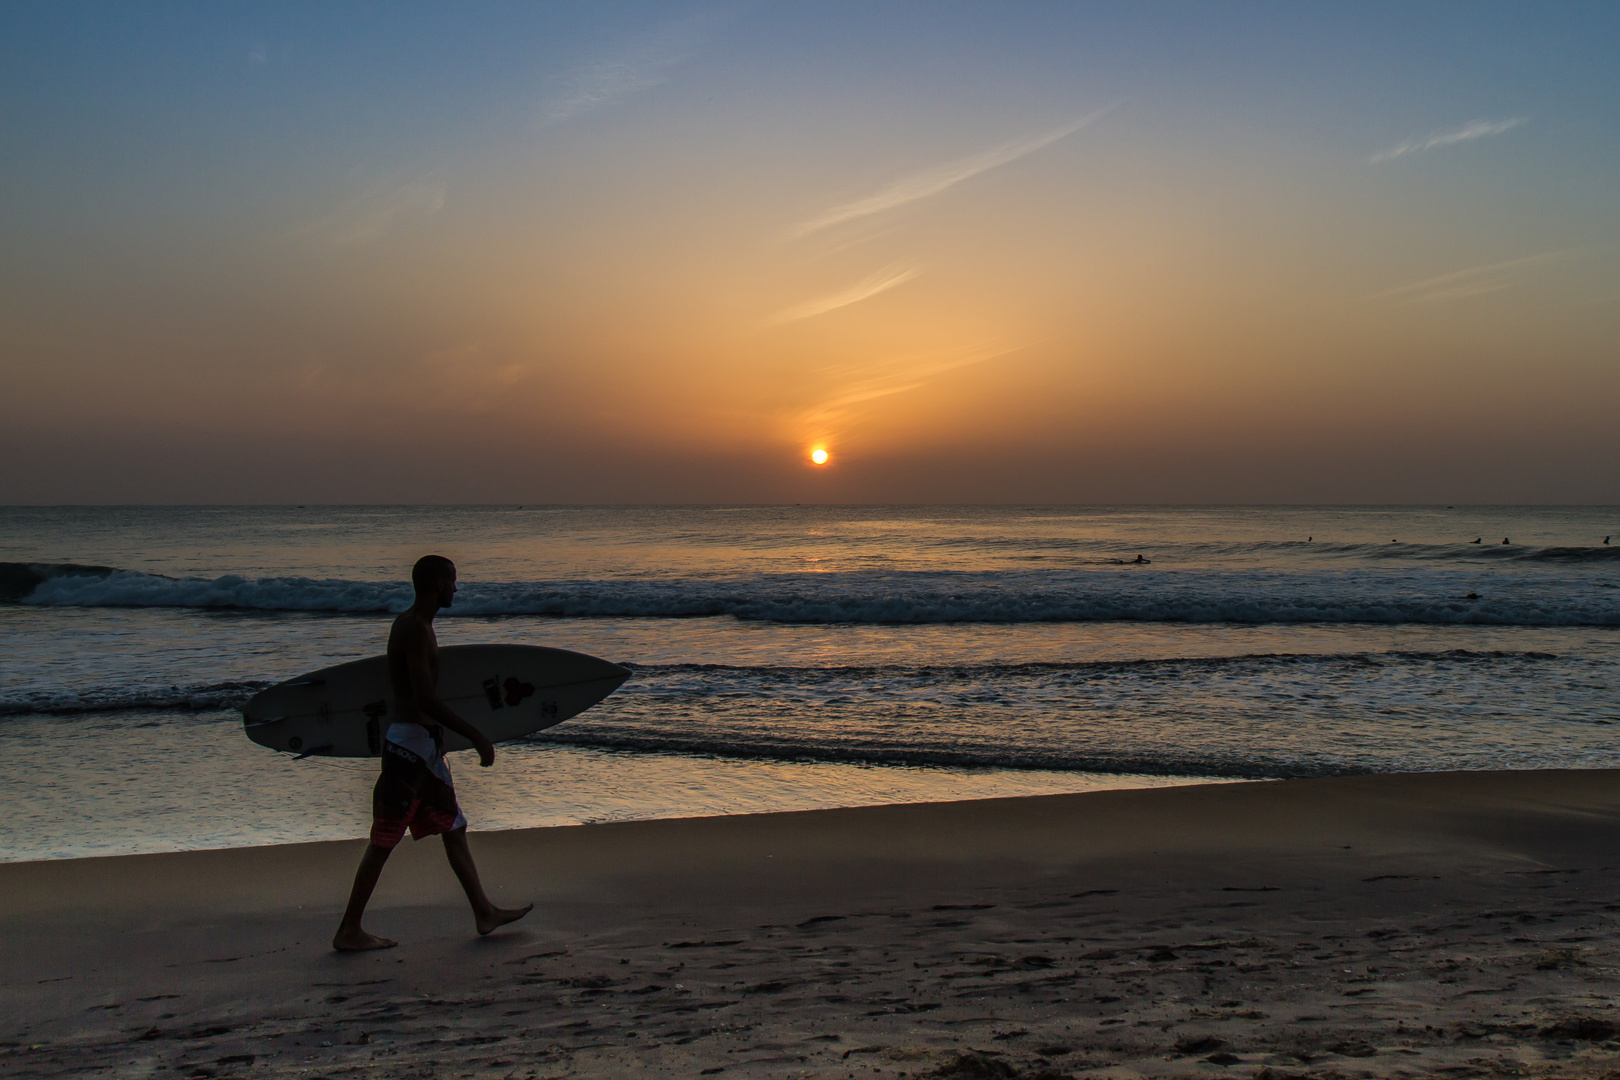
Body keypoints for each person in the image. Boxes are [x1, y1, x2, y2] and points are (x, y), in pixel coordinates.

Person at [332, 555, 532, 951]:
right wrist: (475, 734)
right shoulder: (416, 629)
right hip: (409, 749)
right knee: (385, 839)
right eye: (453, 581)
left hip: (419, 746)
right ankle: (349, 930)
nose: (456, 588)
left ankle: (484, 912)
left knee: (453, 827)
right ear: (437, 583)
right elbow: (423, 696)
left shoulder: (415, 626)